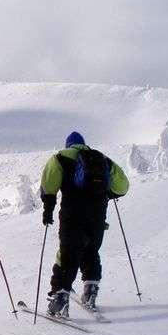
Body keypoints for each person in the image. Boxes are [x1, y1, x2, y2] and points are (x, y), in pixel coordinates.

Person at [40, 131, 129, 316]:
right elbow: (123, 186)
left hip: (72, 216)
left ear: (68, 144)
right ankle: (90, 294)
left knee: (68, 255)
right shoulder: (102, 159)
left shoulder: (60, 157)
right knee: (91, 252)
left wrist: (48, 210)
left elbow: (49, 185)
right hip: (97, 218)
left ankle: (60, 300)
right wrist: (109, 194)